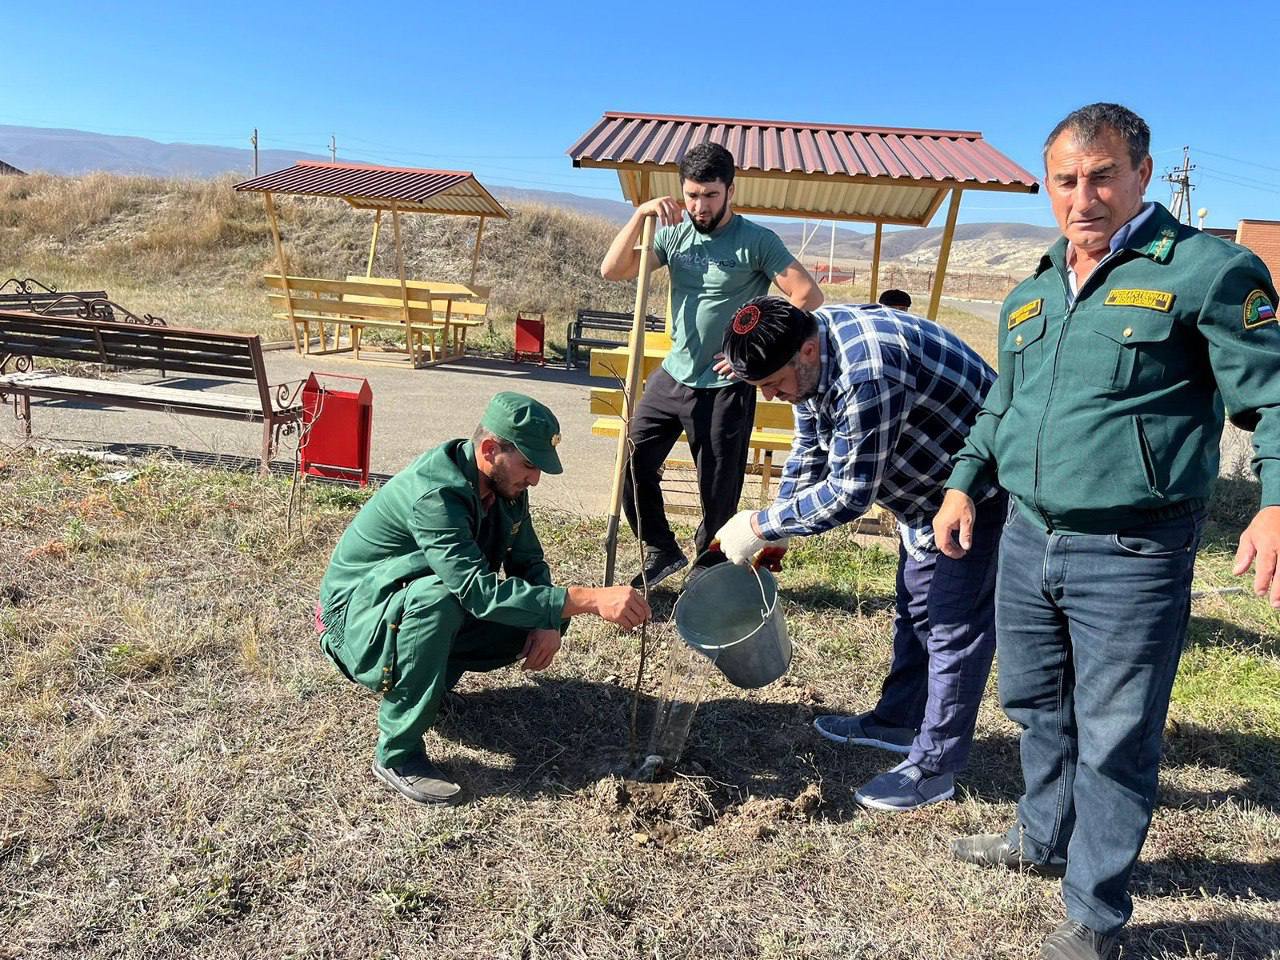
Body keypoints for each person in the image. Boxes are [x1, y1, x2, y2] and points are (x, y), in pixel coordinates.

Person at [933, 103, 1280, 960]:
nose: (1081, 197)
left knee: (1117, 729)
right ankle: (1041, 836)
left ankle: (1093, 916)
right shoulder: (1031, 292)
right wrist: (962, 483)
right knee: (1035, 707)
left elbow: (1272, 396)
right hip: (1027, 537)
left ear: (1141, 177)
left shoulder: (1208, 272)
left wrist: (1275, 503)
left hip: (1133, 549)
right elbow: (1000, 409)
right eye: (1064, 180)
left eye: (1101, 177)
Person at [714, 294, 1006, 811]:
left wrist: (761, 523)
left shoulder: (868, 369)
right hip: (923, 498)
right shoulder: (813, 352)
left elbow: (851, 493)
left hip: (981, 490)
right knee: (917, 609)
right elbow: (810, 447)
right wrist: (780, 523)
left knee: (953, 626)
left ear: (806, 352)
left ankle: (935, 768)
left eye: (773, 384)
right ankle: (898, 720)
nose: (773, 397)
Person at [316, 392, 651, 806]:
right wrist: (586, 599)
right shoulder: (435, 494)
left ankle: (430, 683)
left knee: (541, 609)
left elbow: (529, 561)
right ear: (490, 450)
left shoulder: (503, 485)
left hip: (408, 603)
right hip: (356, 620)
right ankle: (396, 754)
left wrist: (548, 621)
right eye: (529, 465)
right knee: (441, 602)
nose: (535, 480)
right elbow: (475, 590)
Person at [601, 142, 823, 588]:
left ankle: (708, 572)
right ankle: (661, 548)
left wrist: (752, 357)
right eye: (692, 195)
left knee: (717, 495)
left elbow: (807, 295)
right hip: (673, 375)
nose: (700, 206)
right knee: (632, 463)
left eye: (710, 196)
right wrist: (640, 215)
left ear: (730, 191)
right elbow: (613, 270)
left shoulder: (755, 241)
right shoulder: (672, 234)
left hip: (726, 387)